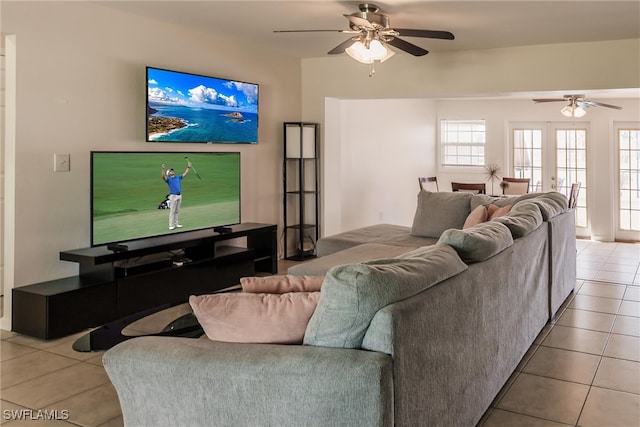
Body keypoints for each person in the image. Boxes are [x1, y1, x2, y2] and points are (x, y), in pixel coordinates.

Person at [161, 162, 191, 230]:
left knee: (177, 210)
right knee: (172, 211)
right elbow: (163, 176)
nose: (172, 171)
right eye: (171, 171)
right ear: (168, 174)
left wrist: (188, 167)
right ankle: (171, 225)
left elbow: (185, 174)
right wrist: (163, 169)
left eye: (172, 171)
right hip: (173, 196)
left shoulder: (177, 177)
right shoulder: (168, 179)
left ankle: (176, 224)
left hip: (179, 195)